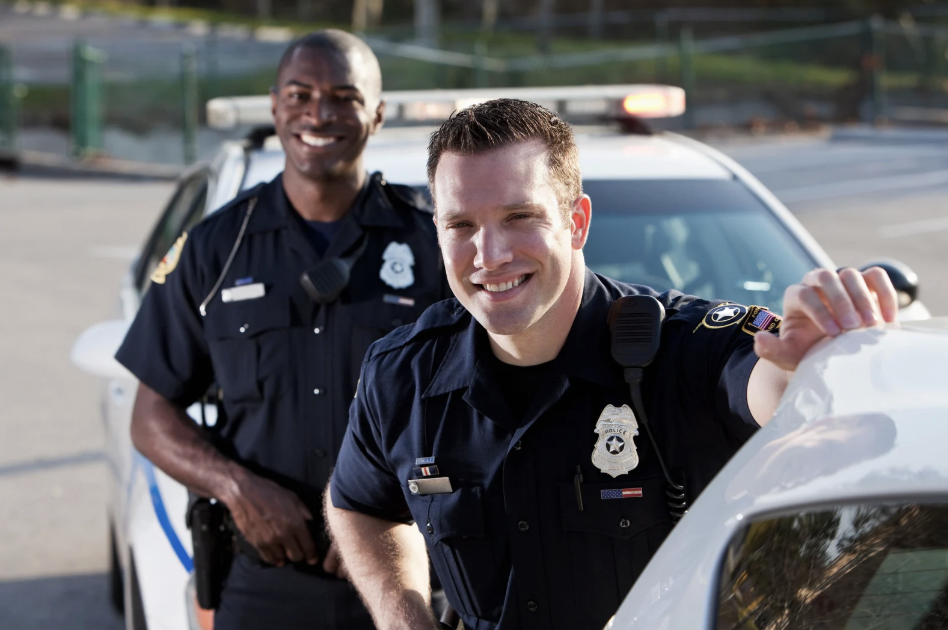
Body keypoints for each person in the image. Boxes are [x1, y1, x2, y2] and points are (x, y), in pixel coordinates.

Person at [325, 98, 900, 630]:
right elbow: (358, 502)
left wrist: (809, 362)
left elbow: (769, 383)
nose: (488, 255)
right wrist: (404, 618)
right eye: (462, 225)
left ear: (577, 222)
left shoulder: (683, 348)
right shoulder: (403, 373)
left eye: (520, 216)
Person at [116, 30, 448, 630]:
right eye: (300, 94)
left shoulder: (435, 244)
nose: (319, 114)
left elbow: (496, 397)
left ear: (375, 113)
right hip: (268, 585)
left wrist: (394, 507)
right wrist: (238, 489)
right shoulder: (216, 249)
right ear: (275, 106)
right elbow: (150, 416)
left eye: (343, 97)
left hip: (411, 582)